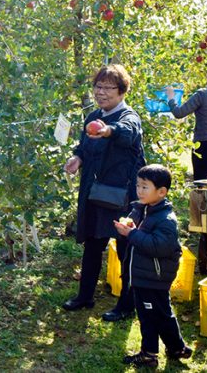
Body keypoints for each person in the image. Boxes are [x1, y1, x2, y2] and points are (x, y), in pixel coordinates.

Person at [62, 65, 145, 322]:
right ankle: (85, 295)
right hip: (97, 193)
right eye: (98, 86)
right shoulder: (92, 117)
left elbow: (126, 133)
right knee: (93, 244)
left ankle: (126, 304)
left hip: (123, 195)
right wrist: (77, 158)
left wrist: (107, 130)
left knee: (125, 249)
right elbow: (84, 146)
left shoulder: (128, 117)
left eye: (108, 87)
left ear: (121, 92)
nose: (101, 92)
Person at [112, 165, 192, 368]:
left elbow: (158, 246)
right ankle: (177, 347)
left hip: (153, 277)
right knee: (162, 312)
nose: (139, 191)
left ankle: (149, 354)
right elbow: (142, 231)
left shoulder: (165, 220)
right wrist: (132, 222)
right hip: (145, 275)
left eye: (145, 187)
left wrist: (131, 234)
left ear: (162, 192)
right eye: (138, 186)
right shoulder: (145, 209)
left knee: (150, 316)